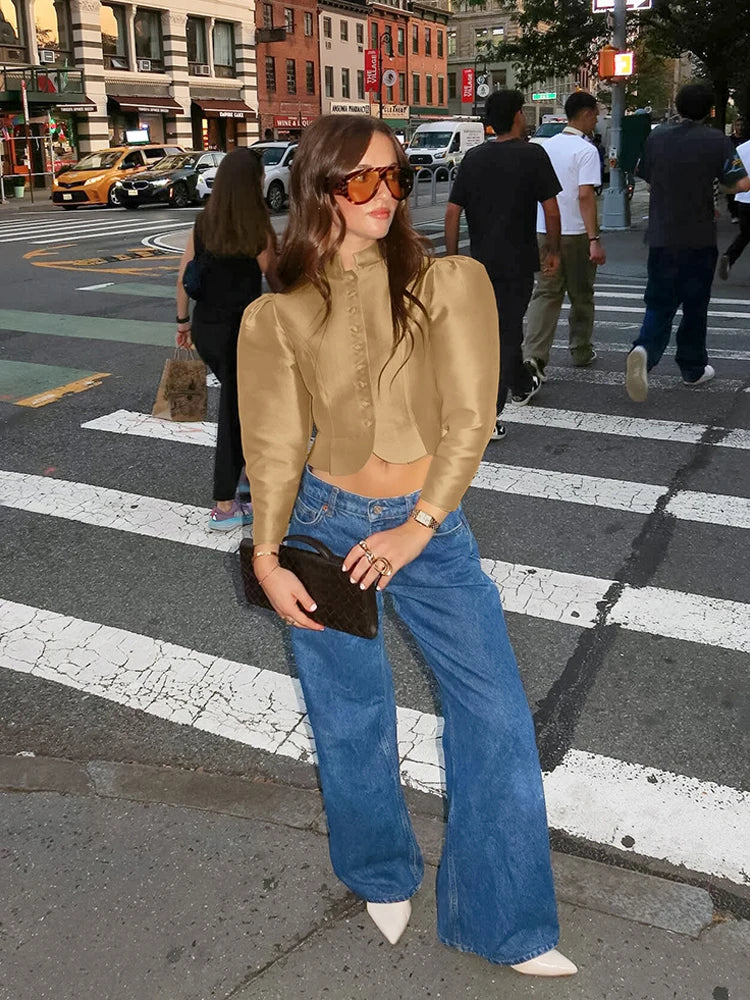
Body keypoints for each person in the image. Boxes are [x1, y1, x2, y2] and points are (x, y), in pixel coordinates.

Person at [237, 114, 577, 978]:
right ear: (319, 190)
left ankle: (504, 922)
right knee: (350, 717)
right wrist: (268, 557)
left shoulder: (448, 281)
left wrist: (417, 527)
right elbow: (274, 445)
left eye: (395, 177)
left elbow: (472, 419)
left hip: (431, 527)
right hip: (324, 522)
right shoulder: (277, 313)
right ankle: (380, 872)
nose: (386, 194)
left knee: (495, 714)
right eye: (361, 182)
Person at [445, 90, 562, 440]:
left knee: (497, 330)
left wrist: (452, 258)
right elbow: (552, 209)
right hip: (518, 260)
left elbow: (452, 213)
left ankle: (523, 385)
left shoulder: (474, 158)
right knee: (505, 334)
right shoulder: (532, 155)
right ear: (517, 117)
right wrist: (553, 250)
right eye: (523, 113)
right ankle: (488, 414)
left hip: (480, 263)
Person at [175, 147, 281, 529]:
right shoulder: (258, 226)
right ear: (251, 182)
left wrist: (183, 323)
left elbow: (184, 276)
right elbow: (276, 279)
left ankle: (248, 485)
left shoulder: (205, 222)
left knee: (243, 408)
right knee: (237, 414)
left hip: (207, 328)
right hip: (244, 332)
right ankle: (225, 503)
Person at [625, 85, 749, 402]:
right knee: (695, 305)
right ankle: (692, 368)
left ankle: (644, 349)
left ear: (678, 106)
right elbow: (741, 182)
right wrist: (713, 187)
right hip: (698, 237)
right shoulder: (717, 141)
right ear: (710, 110)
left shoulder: (658, 137)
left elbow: (647, 174)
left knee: (660, 301)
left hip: (662, 235)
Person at [522, 91, 606, 386]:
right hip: (577, 232)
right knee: (581, 293)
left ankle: (533, 355)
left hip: (544, 229)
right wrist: (594, 238)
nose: (597, 119)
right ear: (584, 114)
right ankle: (580, 349)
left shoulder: (543, 146)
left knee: (546, 292)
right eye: (595, 114)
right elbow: (585, 195)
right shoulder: (586, 151)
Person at [719, 124, 750, 280]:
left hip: (744, 200)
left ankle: (729, 256)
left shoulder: (741, 149)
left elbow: (731, 175)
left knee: (745, 235)